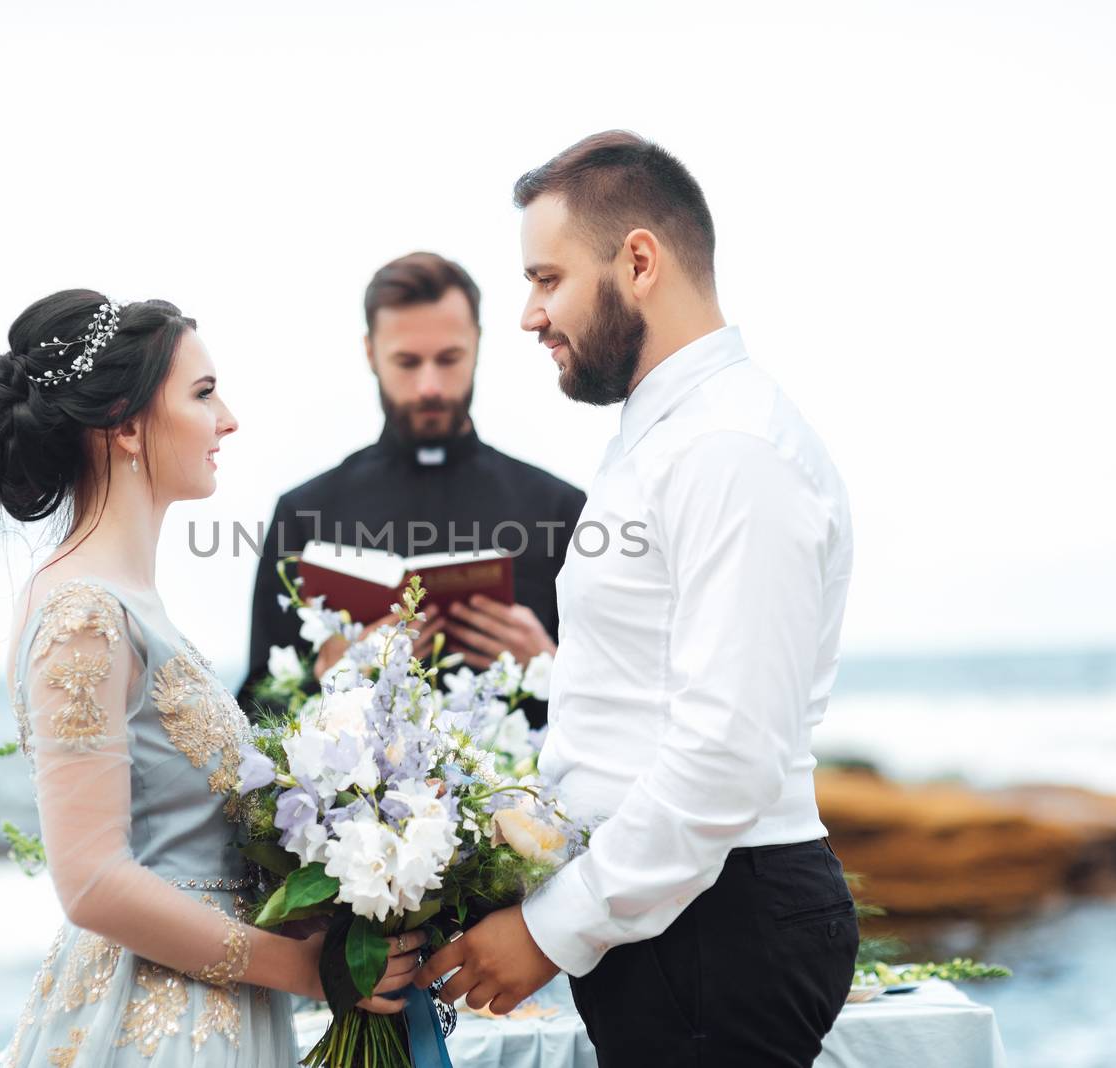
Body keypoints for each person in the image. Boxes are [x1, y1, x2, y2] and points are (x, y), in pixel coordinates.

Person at [416, 132, 860, 1067]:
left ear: (640, 261)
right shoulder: (662, 438)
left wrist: (553, 928)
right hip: (678, 922)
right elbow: (630, 702)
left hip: (719, 927)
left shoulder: (728, 449)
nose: (532, 315)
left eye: (547, 278)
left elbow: (726, 755)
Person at [0, 290, 425, 1066]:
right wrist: (306, 970)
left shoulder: (133, 605)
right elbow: (92, 881)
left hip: (216, 1005)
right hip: (161, 1024)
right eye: (202, 394)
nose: (228, 419)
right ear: (126, 425)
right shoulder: (84, 617)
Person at [242, 252, 586, 726]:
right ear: (370, 353)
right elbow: (255, 711)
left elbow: (622, 703)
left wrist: (550, 664)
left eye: (449, 359)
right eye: (407, 361)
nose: (429, 386)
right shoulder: (305, 512)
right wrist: (335, 675)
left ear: (478, 345)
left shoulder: (560, 507)